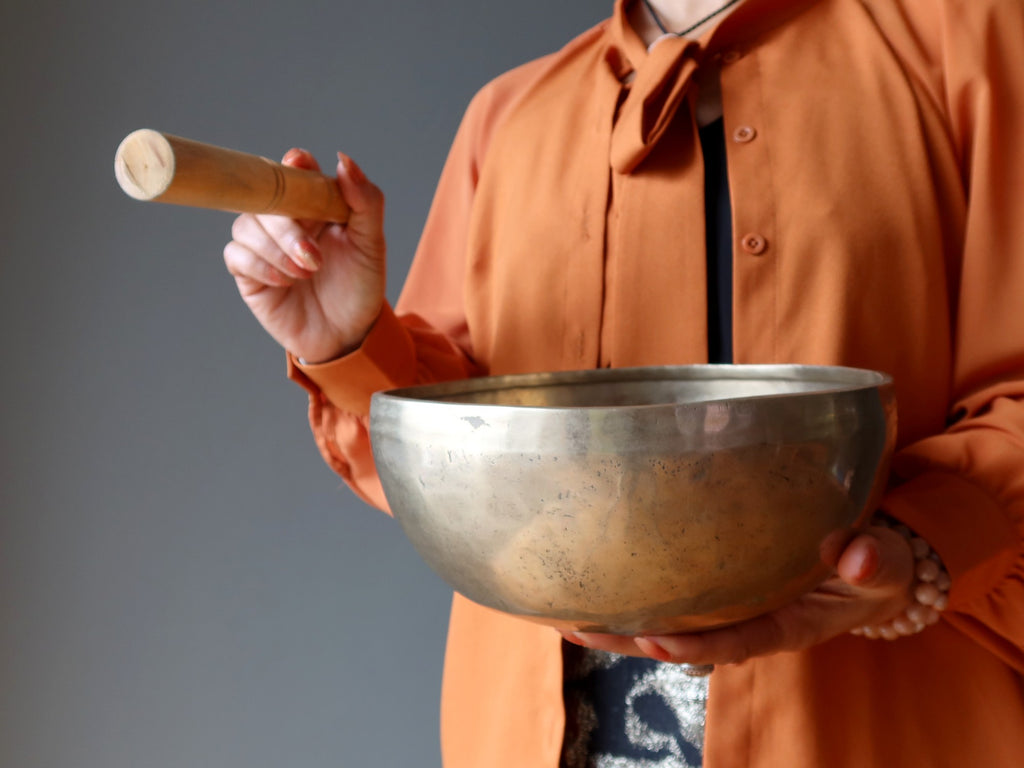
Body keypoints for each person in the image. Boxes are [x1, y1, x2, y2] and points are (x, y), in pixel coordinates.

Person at [222, 0, 1024, 765]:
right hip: (533, 731)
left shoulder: (977, 48)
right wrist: (352, 342)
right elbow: (459, 464)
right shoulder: (510, 115)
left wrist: (923, 547)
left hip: (875, 725)